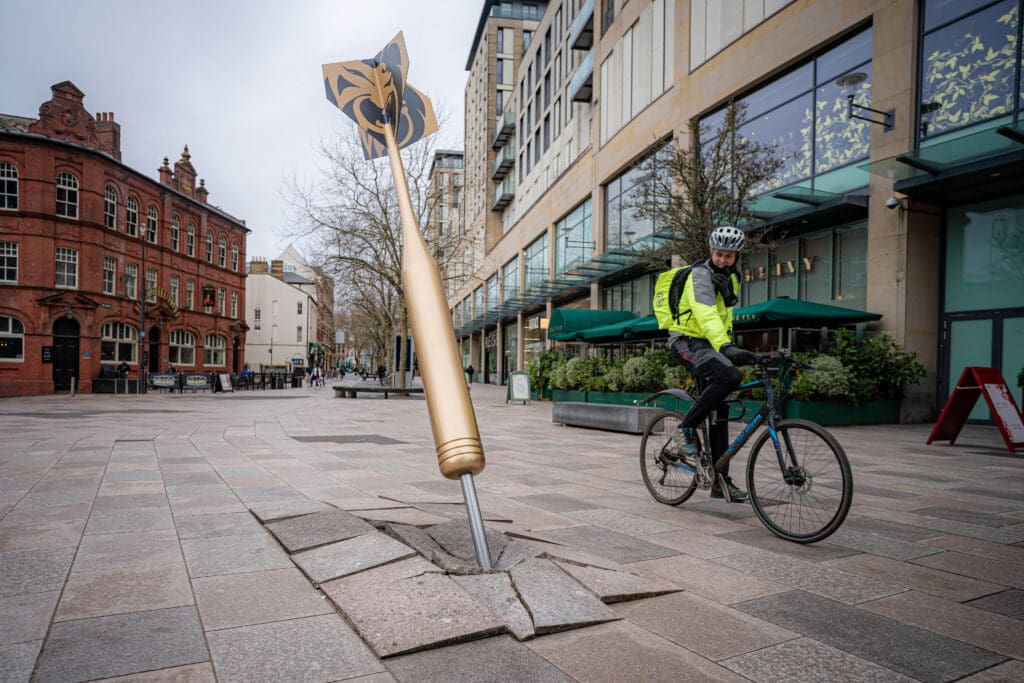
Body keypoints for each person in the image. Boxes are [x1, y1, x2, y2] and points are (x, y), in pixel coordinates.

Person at [666, 226, 755, 503]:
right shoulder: (700, 275)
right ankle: (685, 429)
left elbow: (724, 316)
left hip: (712, 344)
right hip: (686, 341)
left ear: (736, 257)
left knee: (721, 412)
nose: (723, 260)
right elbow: (706, 313)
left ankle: (720, 481)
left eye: (729, 256)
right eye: (719, 254)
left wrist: (726, 344)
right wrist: (725, 347)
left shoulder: (731, 278)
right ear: (710, 251)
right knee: (730, 375)